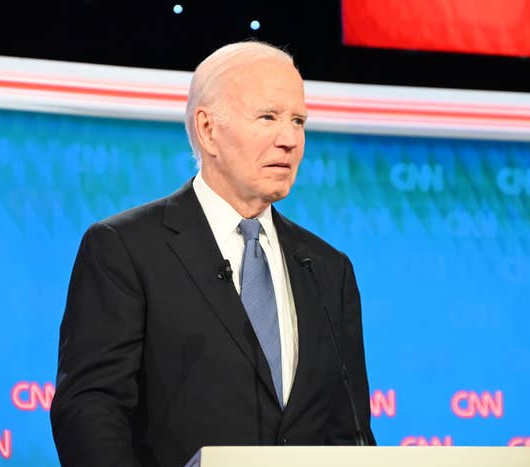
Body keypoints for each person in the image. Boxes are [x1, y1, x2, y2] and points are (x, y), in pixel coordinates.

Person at [50, 41, 375, 467]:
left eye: (298, 121)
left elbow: (348, 430)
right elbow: (90, 411)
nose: (290, 139)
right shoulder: (125, 248)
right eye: (268, 117)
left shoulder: (328, 268)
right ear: (207, 129)